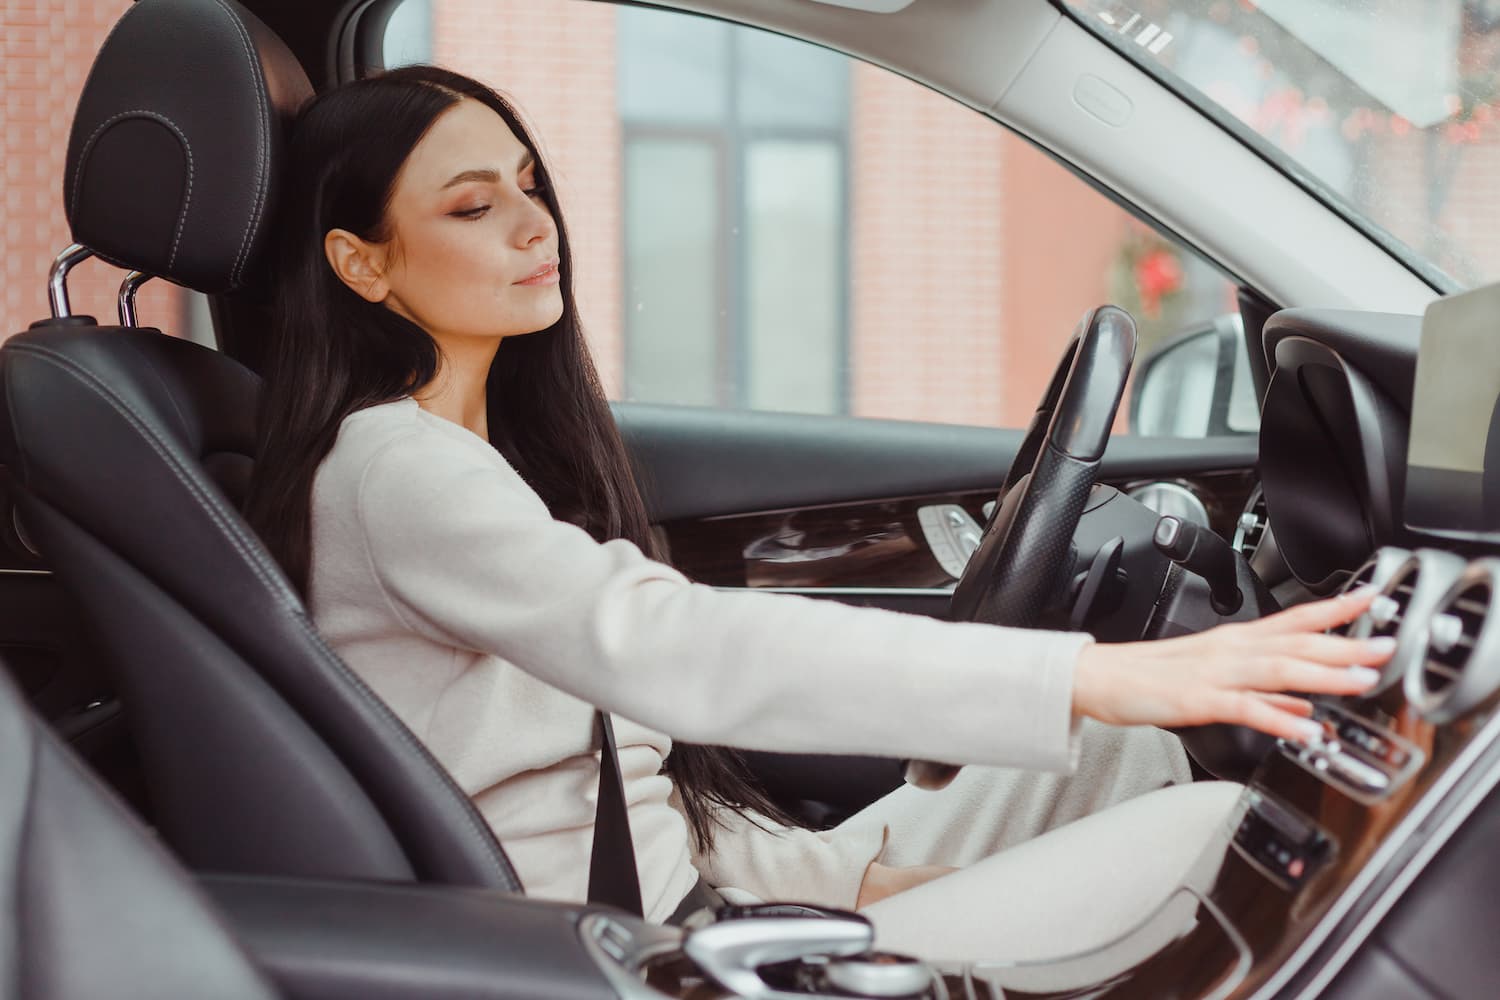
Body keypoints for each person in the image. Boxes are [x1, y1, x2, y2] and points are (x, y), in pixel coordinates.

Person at [243, 66, 1390, 963]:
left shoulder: (469, 455)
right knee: (1234, 842)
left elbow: (632, 799)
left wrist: (858, 886)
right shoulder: (395, 469)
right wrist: (1095, 669)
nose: (535, 226)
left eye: (530, 185)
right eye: (473, 206)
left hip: (716, 898)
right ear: (362, 264)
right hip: (644, 955)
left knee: (1118, 759)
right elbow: (675, 648)